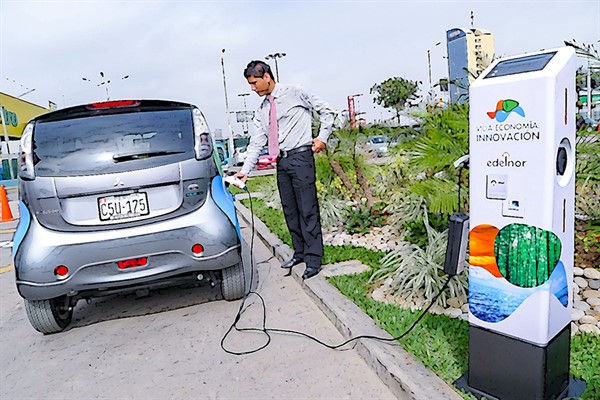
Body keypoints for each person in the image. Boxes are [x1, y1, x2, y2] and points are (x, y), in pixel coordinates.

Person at [235, 60, 335, 280]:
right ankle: (299, 252)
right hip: (282, 161)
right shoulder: (262, 109)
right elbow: (257, 141)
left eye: (254, 83)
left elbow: (327, 112)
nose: (252, 88)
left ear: (267, 77)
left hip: (301, 157)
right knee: (290, 210)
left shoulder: (295, 93)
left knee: (307, 209)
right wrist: (246, 170)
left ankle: (313, 259)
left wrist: (322, 138)